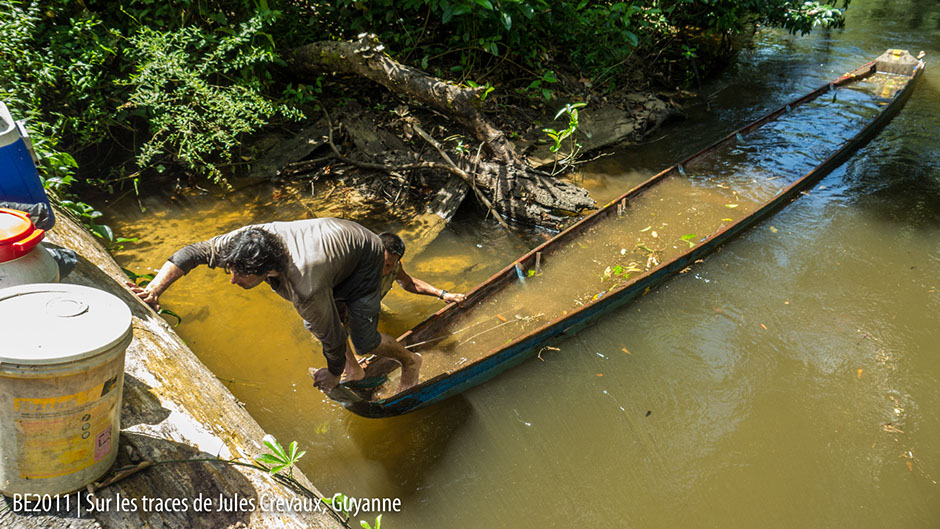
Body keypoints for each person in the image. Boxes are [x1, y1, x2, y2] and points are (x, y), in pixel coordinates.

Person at [126, 217, 422, 394]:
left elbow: (331, 336)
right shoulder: (248, 238)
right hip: (331, 245)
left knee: (363, 339)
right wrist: (154, 290)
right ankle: (354, 371)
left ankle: (410, 362)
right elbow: (194, 252)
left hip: (364, 254)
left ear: (269, 271)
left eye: (241, 275)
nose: (233, 280)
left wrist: (332, 372)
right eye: (232, 269)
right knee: (327, 317)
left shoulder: (304, 285)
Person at [378, 232, 467, 305]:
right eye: (380, 262)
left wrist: (442, 294)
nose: (382, 269)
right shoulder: (364, 261)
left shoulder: (395, 268)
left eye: (388, 266)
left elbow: (409, 283)